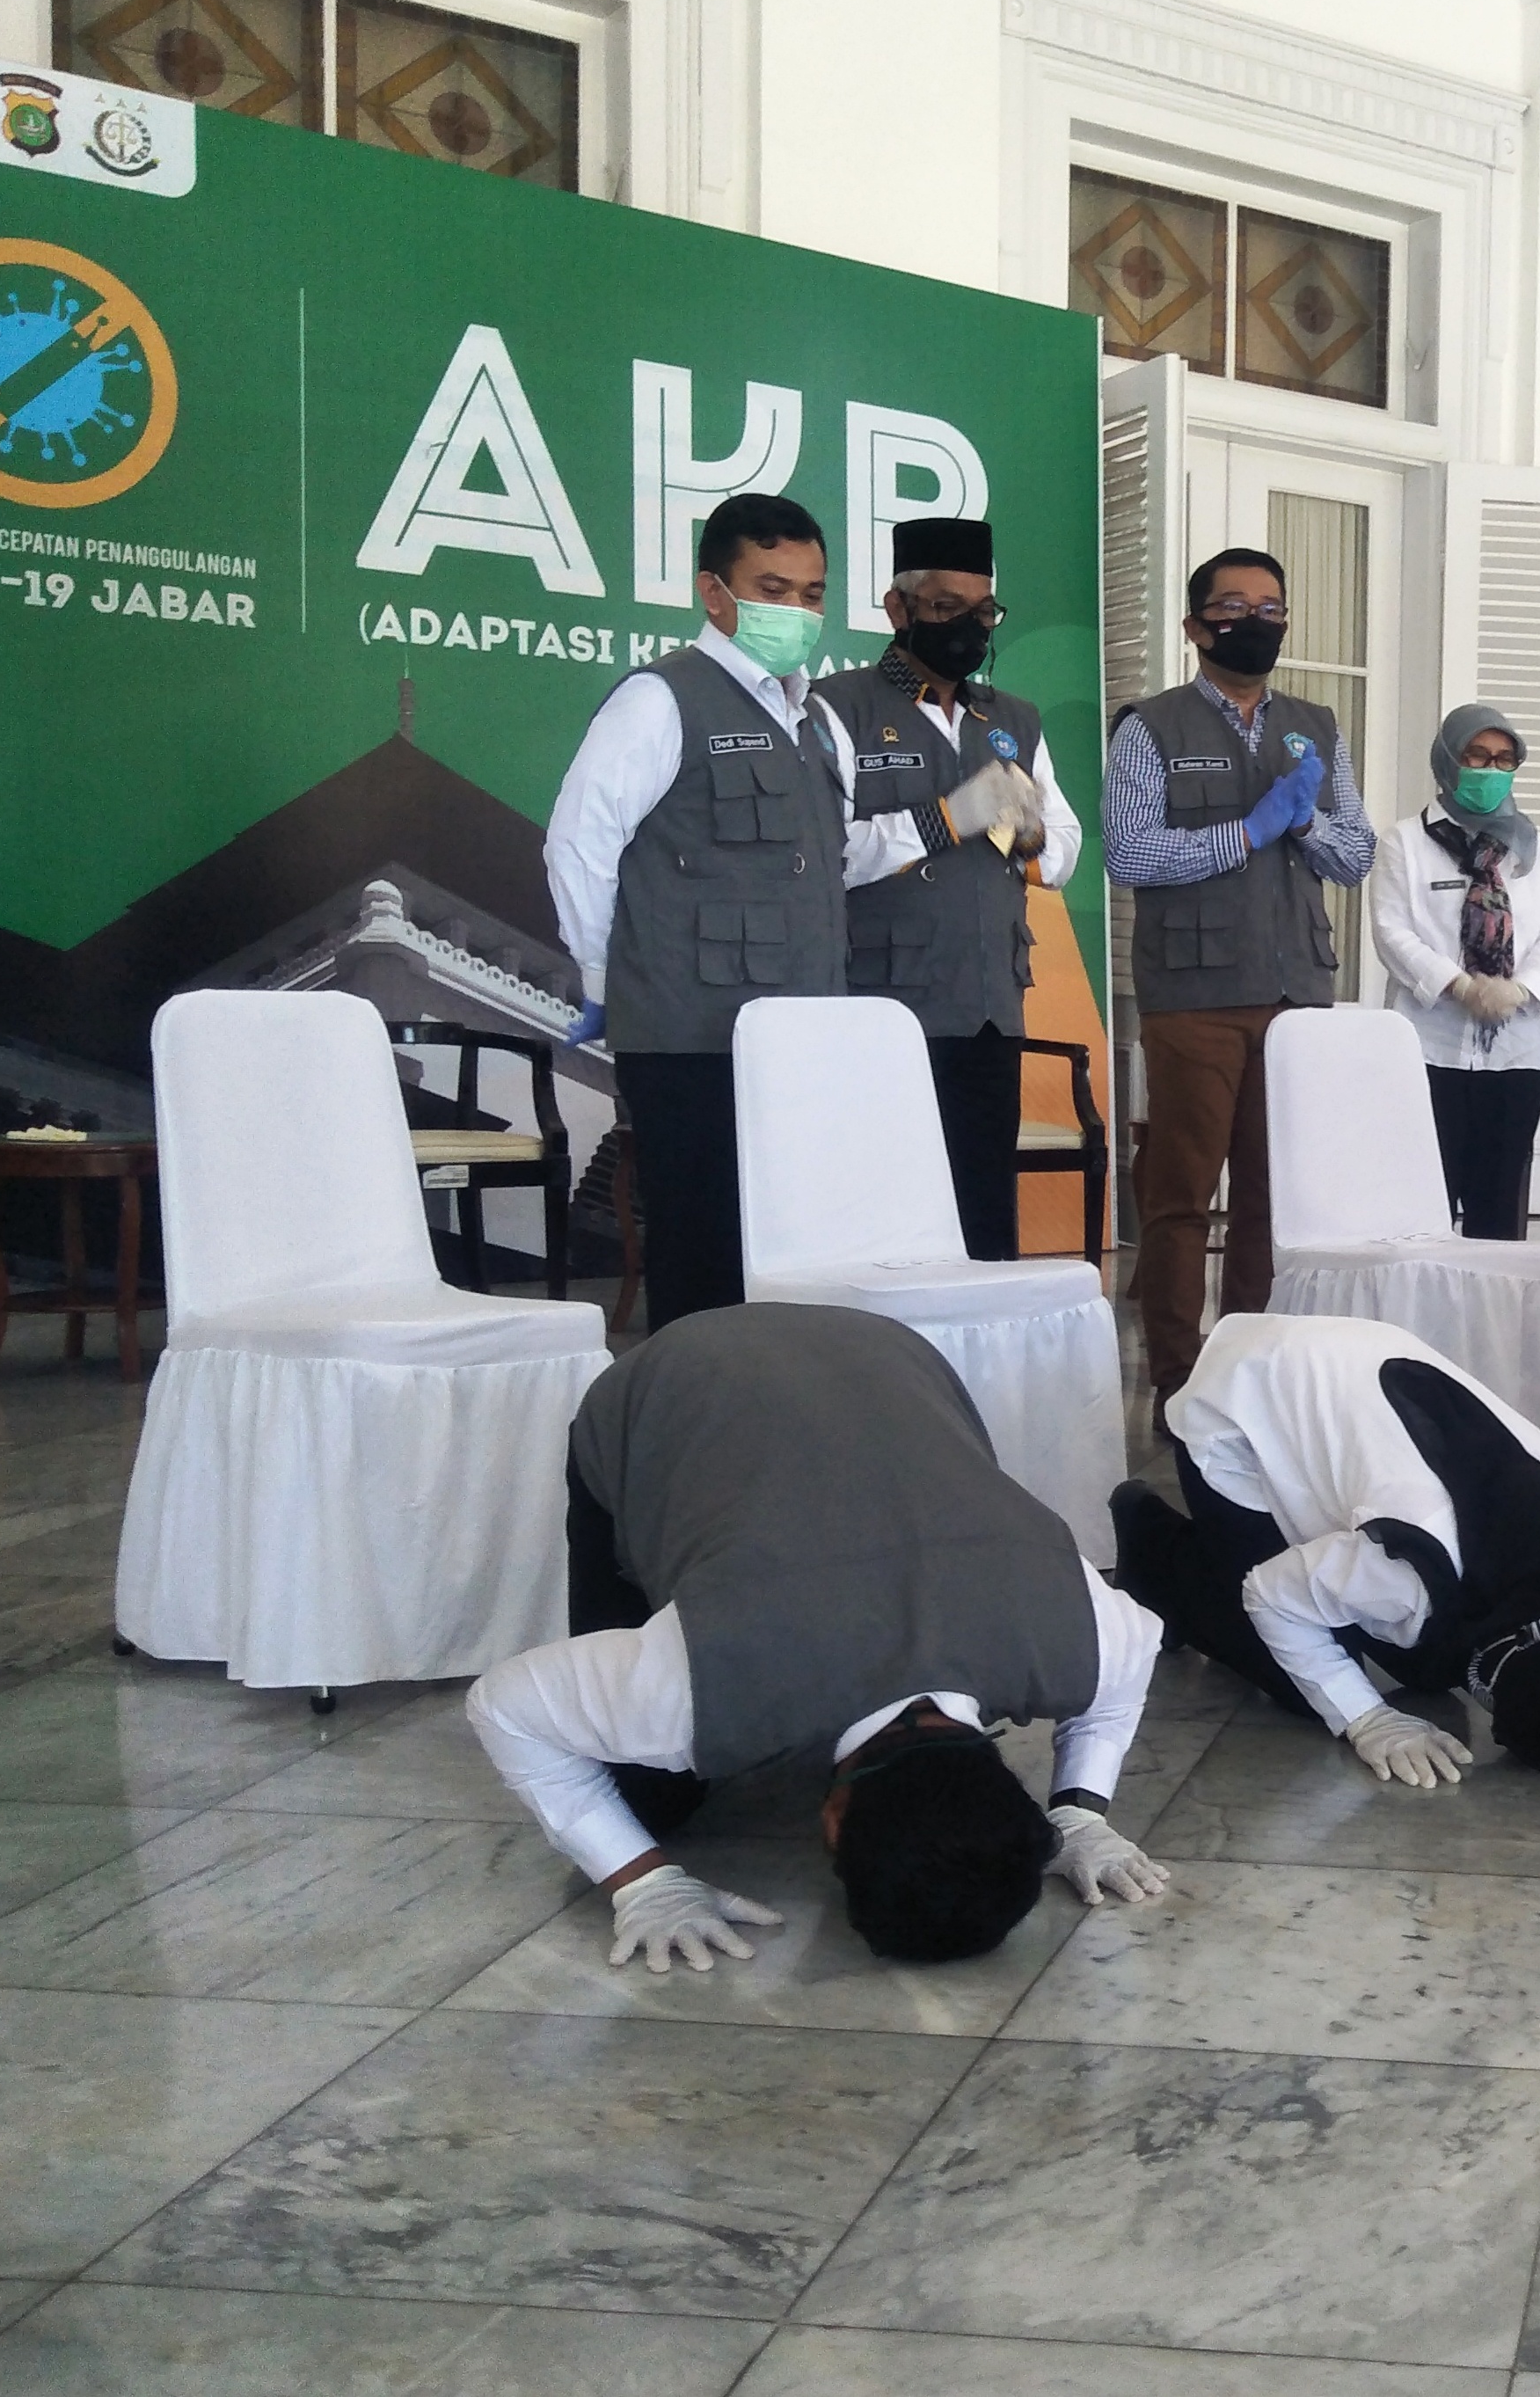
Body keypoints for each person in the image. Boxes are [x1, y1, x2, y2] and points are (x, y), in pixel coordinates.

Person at [464, 1303, 1171, 1973]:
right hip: (671, 1379)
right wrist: (641, 1881)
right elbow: (505, 1707)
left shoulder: (1079, 1629)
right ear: (830, 1826)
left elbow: (1128, 1670)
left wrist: (1078, 1813)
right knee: (651, 1799)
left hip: (887, 1349)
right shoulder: (697, 1675)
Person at [544, 493, 928, 1329]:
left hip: (801, 1036)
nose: (796, 611)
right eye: (773, 589)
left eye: (812, 593)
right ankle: (697, 1437)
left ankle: (780, 1421)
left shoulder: (818, 720)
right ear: (713, 594)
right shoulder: (659, 699)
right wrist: (606, 977)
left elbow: (835, 858)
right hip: (690, 1033)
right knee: (704, 1250)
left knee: (792, 1253)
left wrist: (950, 822)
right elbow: (579, 841)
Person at [1112, 1312, 1540, 1782]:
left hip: (1352, 1365)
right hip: (1243, 1398)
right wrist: (1366, 1719)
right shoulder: (1410, 1565)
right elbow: (1271, 1594)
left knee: (1428, 1663)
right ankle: (1153, 1542)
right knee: (1299, 1684)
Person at [1104, 547, 1376, 1396]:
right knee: (1183, 1193)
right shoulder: (1150, 725)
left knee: (1273, 1197)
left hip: (1297, 992)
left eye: (1270, 607)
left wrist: (1305, 827)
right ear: (1194, 626)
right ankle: (1181, 1381)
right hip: (1197, 994)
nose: (1253, 620)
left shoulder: (1318, 724)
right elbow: (1127, 851)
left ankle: (1252, 1372)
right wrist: (1249, 832)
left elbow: (1359, 852)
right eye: (1232, 606)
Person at [815, 515, 1080, 1261]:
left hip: (989, 1001)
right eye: (944, 608)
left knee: (982, 1218)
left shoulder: (1013, 719)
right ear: (898, 609)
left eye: (983, 611)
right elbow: (827, 855)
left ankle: (975, 1373)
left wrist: (1017, 829)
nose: (967, 626)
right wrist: (945, 818)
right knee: (884, 1217)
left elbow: (1059, 854)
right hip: (880, 1004)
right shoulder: (837, 707)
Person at [1372, 705, 1540, 1239]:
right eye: (1476, 756)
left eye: (1504, 759)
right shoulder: (1404, 843)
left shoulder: (1535, 851)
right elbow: (1392, 933)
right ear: (1447, 761)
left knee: (1501, 1204)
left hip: (1517, 1051)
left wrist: (1519, 989)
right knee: (1424, 1201)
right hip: (1428, 1048)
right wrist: (1458, 984)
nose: (1490, 769)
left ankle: (1494, 1320)